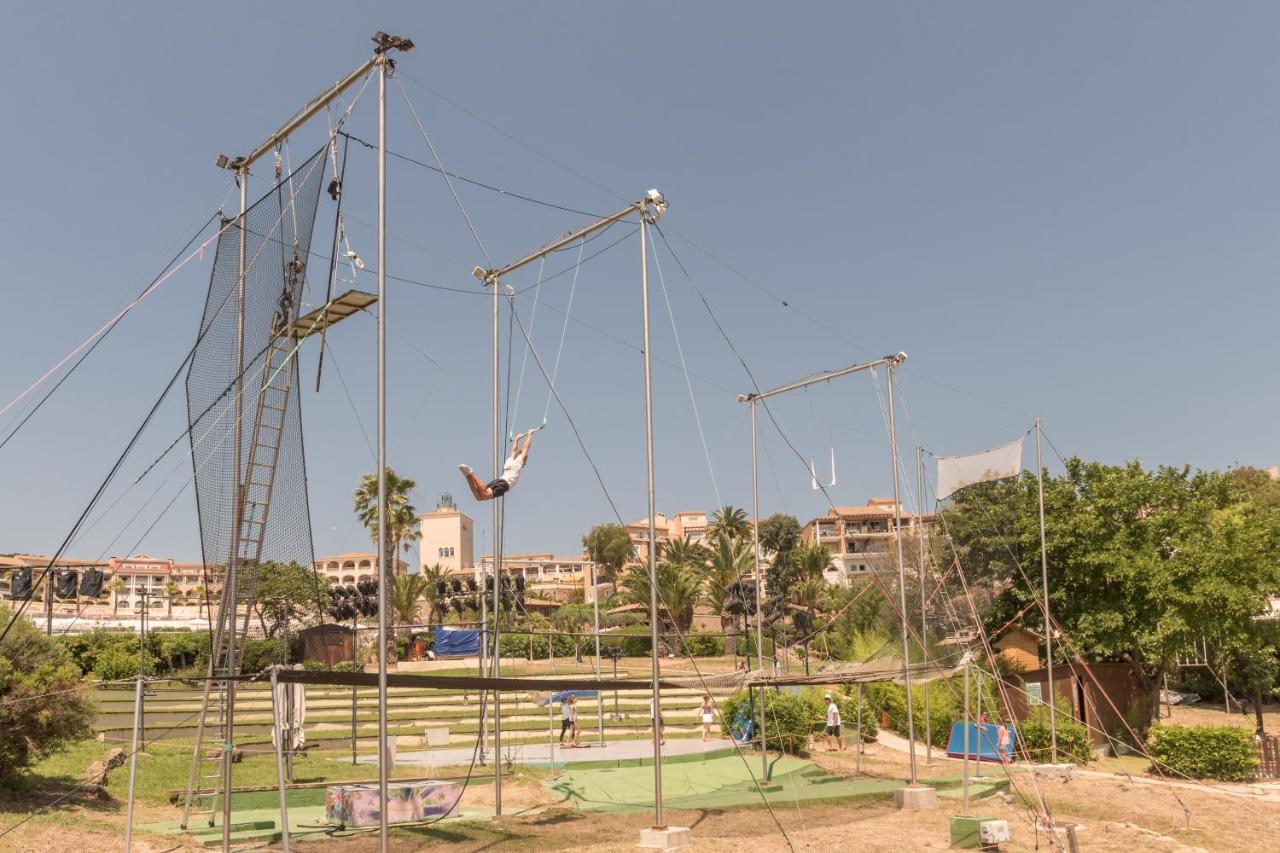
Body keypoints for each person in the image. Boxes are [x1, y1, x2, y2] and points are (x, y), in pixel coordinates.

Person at [458, 429, 535, 501]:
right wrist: (529, 435)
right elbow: (526, 448)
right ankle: (471, 473)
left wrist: (517, 440)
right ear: (523, 459)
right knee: (485, 494)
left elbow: (514, 450)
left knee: (479, 497)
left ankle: (468, 476)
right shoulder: (518, 463)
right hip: (504, 484)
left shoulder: (510, 460)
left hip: (500, 481)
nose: (525, 463)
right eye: (525, 461)